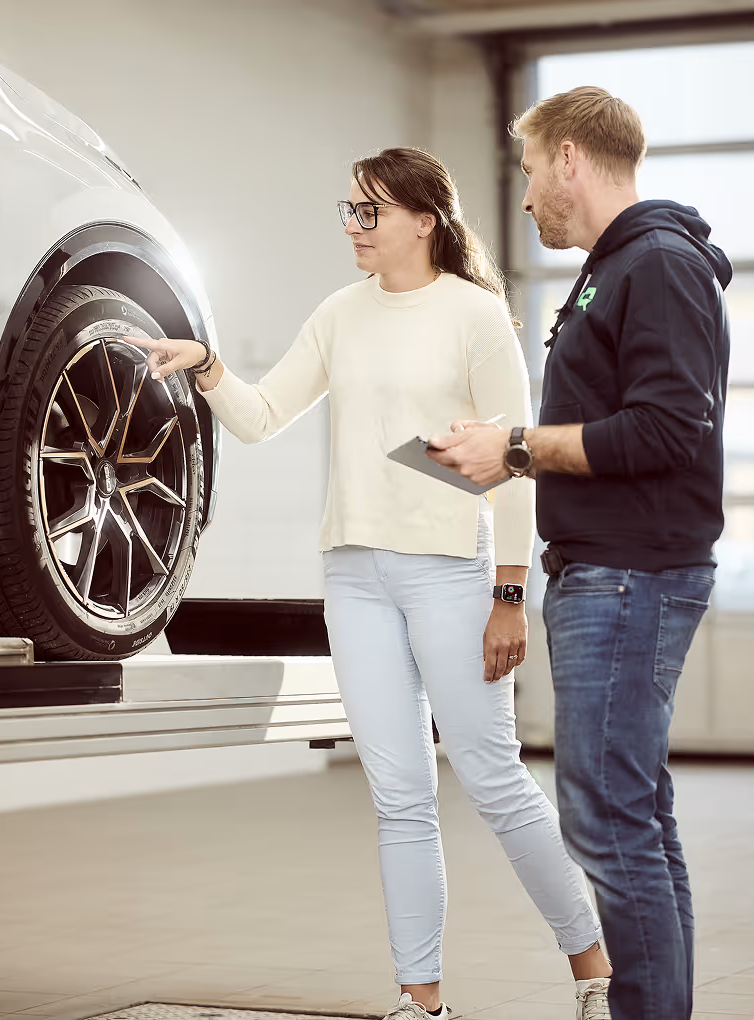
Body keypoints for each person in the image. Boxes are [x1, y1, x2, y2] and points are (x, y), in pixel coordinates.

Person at [129, 147, 612, 1020]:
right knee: (399, 797)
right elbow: (262, 417)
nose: (353, 227)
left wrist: (509, 597)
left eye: (370, 212)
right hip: (352, 578)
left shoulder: (475, 317)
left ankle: (595, 970)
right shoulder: (340, 314)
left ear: (424, 220)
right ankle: (418, 1000)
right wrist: (206, 364)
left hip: (451, 578)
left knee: (494, 780)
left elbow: (513, 463)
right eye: (348, 211)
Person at [428, 88, 732, 1020]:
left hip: (632, 572)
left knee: (605, 817)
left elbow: (669, 429)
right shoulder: (617, 269)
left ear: (569, 158)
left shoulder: (659, 264)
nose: (524, 199)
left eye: (526, 173)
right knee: (635, 817)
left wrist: (517, 446)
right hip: (612, 568)